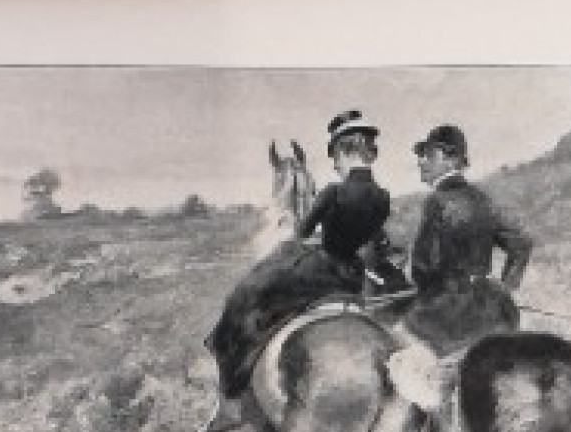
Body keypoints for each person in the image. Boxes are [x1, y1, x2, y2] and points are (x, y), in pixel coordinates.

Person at [206, 110, 394, 398]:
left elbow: (302, 233)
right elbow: (370, 237)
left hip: (322, 269)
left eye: (335, 158)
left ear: (345, 151)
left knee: (252, 288)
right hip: (354, 275)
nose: (334, 165)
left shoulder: (332, 192)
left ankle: (231, 369)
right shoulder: (382, 196)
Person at [401, 123, 533, 355]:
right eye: (422, 156)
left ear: (452, 159)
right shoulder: (484, 200)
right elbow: (521, 244)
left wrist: (418, 285)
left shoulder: (436, 202)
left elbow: (424, 267)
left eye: (430, 154)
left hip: (448, 314)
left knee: (398, 347)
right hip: (491, 309)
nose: (422, 161)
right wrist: (506, 288)